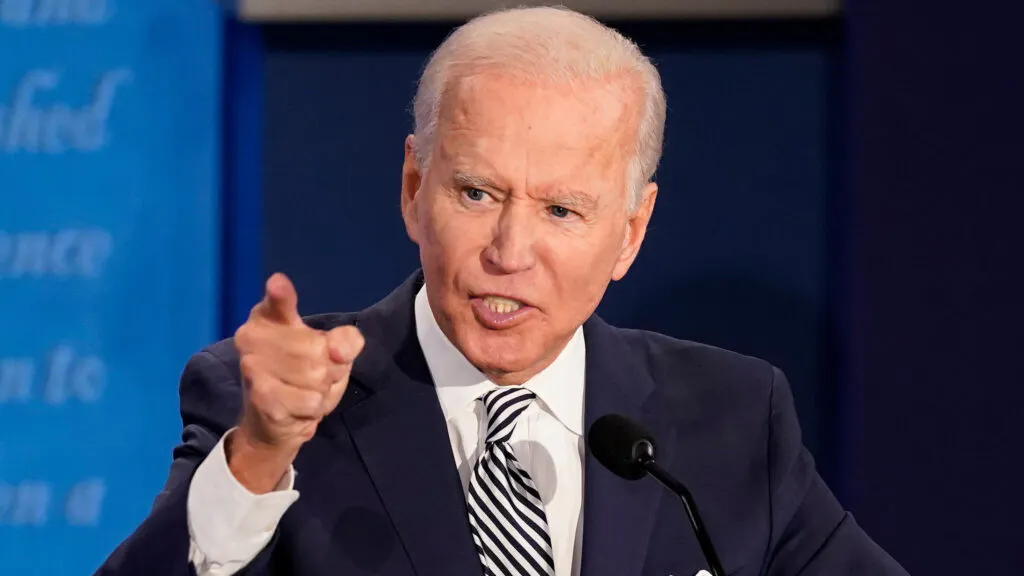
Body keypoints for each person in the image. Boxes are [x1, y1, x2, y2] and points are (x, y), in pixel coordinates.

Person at [96, 6, 908, 576]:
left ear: (630, 231)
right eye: (478, 194)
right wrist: (260, 457)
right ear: (415, 186)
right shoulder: (277, 407)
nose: (510, 252)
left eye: (561, 210)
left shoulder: (731, 418)